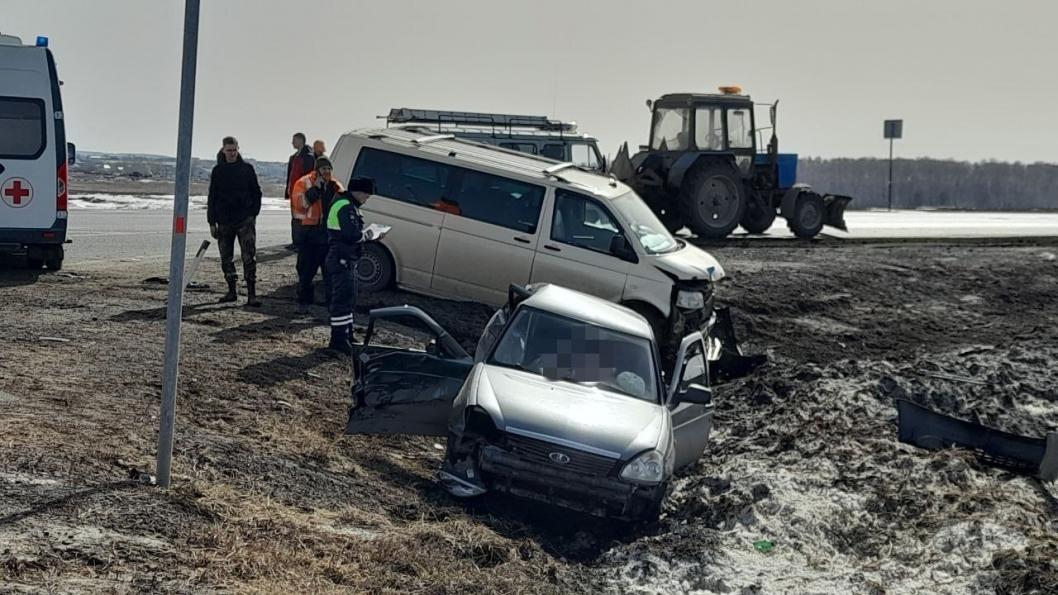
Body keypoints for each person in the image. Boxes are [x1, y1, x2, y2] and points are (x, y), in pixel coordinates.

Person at [207, 136, 263, 307]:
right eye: (228, 150)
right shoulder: (218, 171)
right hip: (224, 221)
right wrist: (211, 222)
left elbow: (256, 193)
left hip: (244, 220)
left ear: (238, 149)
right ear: (223, 150)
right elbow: (212, 197)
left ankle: (251, 294)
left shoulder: (246, 169)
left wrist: (253, 214)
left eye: (234, 150)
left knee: (249, 257)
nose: (232, 153)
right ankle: (232, 290)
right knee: (226, 258)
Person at [324, 176, 376, 354]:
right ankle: (338, 339)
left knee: (348, 298)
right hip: (341, 258)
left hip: (346, 258)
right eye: (366, 196)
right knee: (341, 299)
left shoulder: (347, 205)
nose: (366, 199)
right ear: (359, 192)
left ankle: (347, 334)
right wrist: (368, 235)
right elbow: (351, 234)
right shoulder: (345, 206)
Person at [290, 157, 344, 311]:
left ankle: (331, 307)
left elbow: (343, 206)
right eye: (323, 168)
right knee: (305, 272)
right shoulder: (304, 183)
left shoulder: (336, 186)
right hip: (310, 236)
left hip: (329, 237)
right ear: (317, 170)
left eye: (329, 168)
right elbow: (300, 205)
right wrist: (315, 190)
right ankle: (304, 303)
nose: (327, 171)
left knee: (331, 274)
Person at [285, 132, 315, 250]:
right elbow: (290, 175)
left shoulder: (308, 157)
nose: (292, 143)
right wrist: (288, 189)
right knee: (295, 218)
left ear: (300, 141)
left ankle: (302, 243)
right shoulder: (294, 157)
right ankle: (296, 242)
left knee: (302, 217)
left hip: (302, 192)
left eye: (294, 140)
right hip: (294, 192)